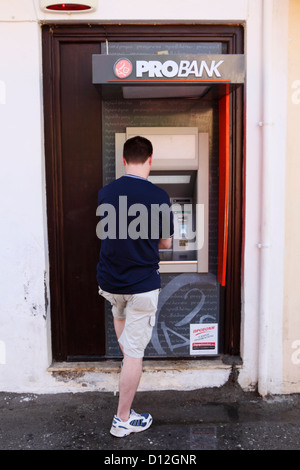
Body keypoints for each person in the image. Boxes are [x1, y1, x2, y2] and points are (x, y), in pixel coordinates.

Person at [96, 136, 173, 438]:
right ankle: (122, 419)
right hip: (141, 285)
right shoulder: (159, 196)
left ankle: (128, 370)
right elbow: (165, 242)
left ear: (124, 160)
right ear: (150, 160)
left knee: (125, 334)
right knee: (135, 354)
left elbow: (108, 234)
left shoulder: (105, 193)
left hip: (111, 282)